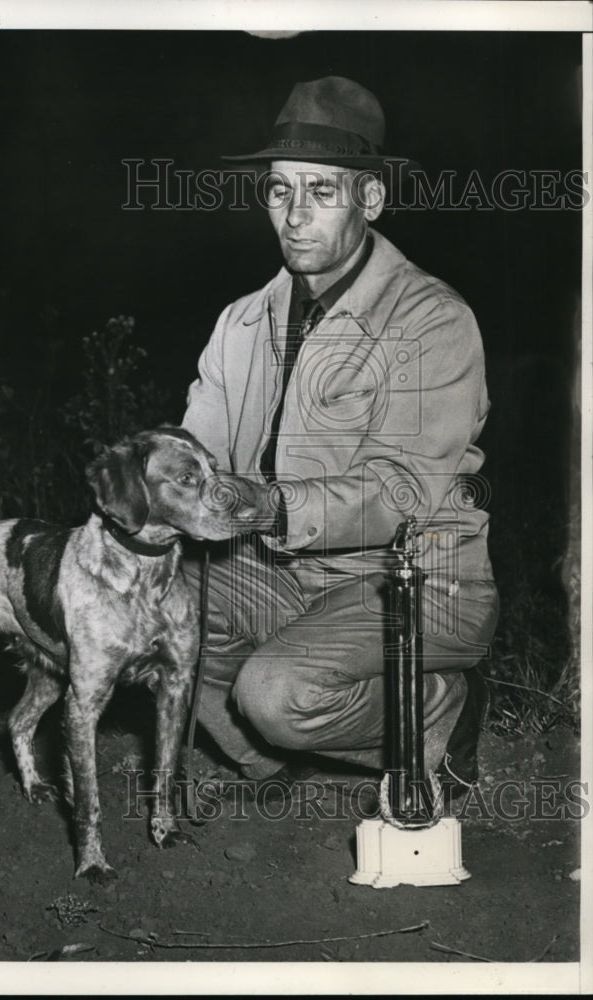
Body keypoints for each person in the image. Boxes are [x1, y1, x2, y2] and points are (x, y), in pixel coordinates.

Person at [181, 76, 500, 800]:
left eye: (321, 192)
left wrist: (267, 506)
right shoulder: (240, 322)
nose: (294, 216)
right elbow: (194, 454)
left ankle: (441, 713)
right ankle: (267, 769)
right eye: (278, 190)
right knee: (146, 609)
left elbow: (400, 492)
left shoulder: (430, 320)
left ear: (370, 200)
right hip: (283, 574)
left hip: (414, 580)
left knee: (275, 693)